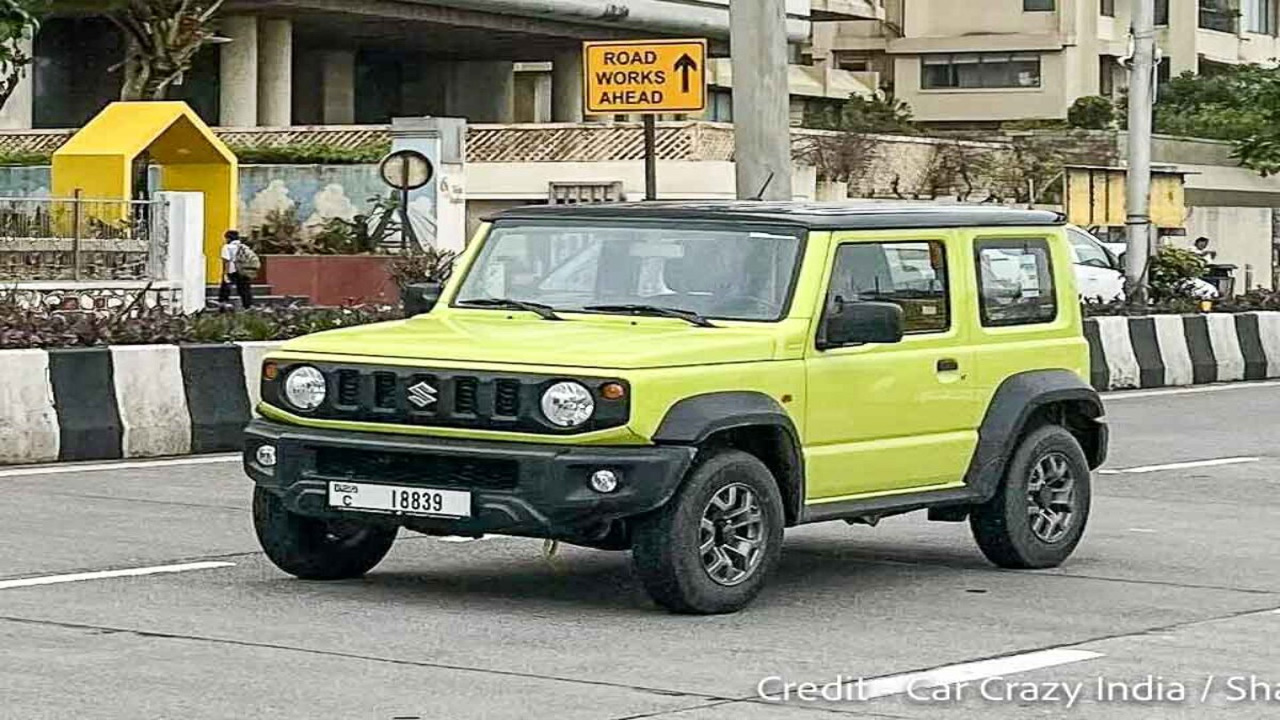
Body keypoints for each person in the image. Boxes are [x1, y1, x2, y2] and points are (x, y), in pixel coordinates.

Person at [218, 230, 254, 310]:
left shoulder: (227, 247)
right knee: (244, 289)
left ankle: (223, 303)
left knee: (225, 287)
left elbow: (226, 261)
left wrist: (225, 273)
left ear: (228, 238)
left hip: (232, 270)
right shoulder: (244, 247)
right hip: (244, 270)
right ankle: (248, 306)